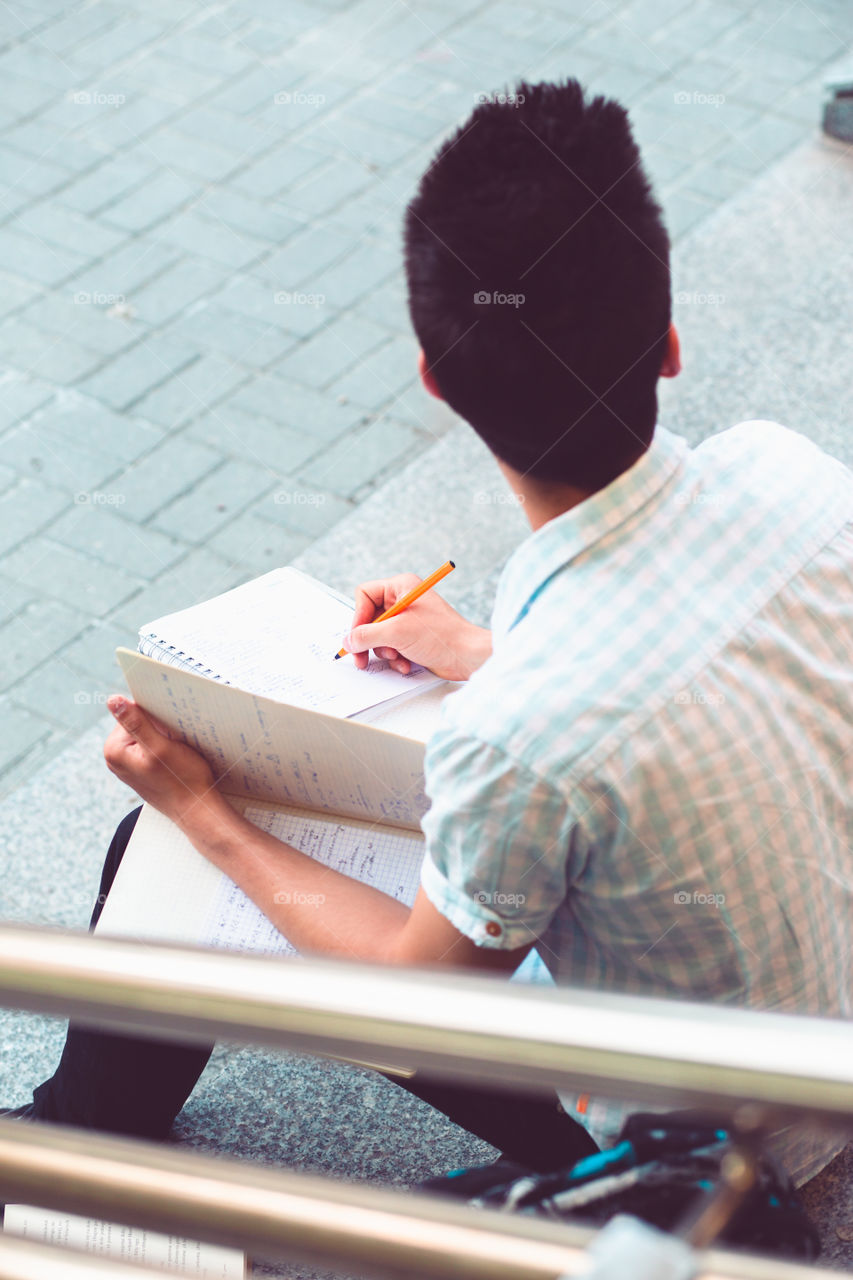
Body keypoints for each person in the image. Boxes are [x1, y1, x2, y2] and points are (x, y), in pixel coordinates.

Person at [5, 78, 852, 1190]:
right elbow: (676, 681)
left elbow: (423, 992)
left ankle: (72, 1135)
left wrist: (207, 815)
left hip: (722, 1147)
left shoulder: (516, 735)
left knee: (172, 846)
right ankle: (80, 1124)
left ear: (437, 382)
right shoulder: (793, 476)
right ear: (671, 343)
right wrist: (485, 650)